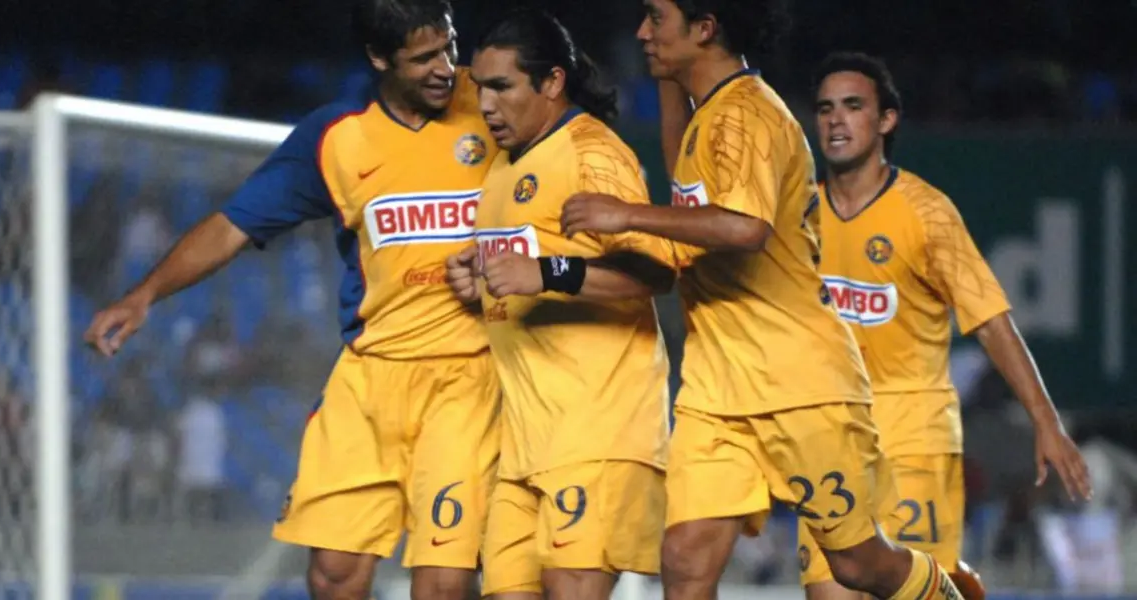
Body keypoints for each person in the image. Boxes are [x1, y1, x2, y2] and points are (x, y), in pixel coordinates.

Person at [84, 1, 502, 598]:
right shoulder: (336, 136)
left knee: (444, 580)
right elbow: (233, 224)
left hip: (469, 374)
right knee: (333, 574)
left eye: (449, 48)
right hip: (371, 378)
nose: (444, 67)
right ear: (379, 58)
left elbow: (563, 159)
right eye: (423, 57)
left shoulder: (493, 104)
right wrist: (144, 294)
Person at [561, 1, 974, 599]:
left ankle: (946, 592)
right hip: (718, 387)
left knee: (859, 565)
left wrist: (623, 213)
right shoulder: (711, 115)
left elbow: (742, 228)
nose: (641, 31)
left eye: (656, 18)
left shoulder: (750, 115)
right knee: (684, 561)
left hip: (798, 383)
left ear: (705, 28)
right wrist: (671, 84)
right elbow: (687, 191)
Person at [800, 51, 1092, 600]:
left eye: (854, 106)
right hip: (828, 441)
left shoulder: (926, 213)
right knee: (829, 592)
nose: (836, 120)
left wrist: (1045, 421)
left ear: (886, 120)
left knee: (901, 588)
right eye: (825, 108)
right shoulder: (801, 214)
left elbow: (990, 321)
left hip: (914, 435)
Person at [446, 10, 675, 600]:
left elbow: (651, 273)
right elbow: (523, 270)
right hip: (524, 443)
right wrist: (482, 280)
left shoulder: (593, 153)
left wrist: (543, 272)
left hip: (599, 433)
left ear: (552, 82)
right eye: (481, 89)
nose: (488, 105)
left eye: (503, 87)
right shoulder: (502, 168)